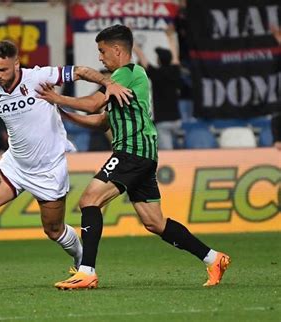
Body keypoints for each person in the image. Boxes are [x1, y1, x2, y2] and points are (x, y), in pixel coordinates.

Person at [0, 40, 131, 293]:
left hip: (49, 170)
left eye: (4, 70)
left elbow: (81, 71)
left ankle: (82, 260)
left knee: (54, 230)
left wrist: (109, 83)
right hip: (14, 166)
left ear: (16, 63)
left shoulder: (39, 77)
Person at [36, 25, 230, 290]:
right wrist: (63, 112)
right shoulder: (123, 81)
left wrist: (55, 96)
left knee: (89, 200)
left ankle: (86, 271)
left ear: (117, 50)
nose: (100, 57)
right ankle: (214, 258)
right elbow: (102, 121)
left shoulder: (127, 73)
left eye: (102, 51)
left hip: (132, 151)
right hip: (141, 153)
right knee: (154, 222)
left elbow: (94, 103)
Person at [133, 25, 182, 150]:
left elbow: (140, 54)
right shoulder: (175, 70)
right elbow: (175, 53)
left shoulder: (155, 73)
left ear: (158, 60)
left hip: (163, 122)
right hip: (177, 120)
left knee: (168, 156)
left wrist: (129, 36)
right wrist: (170, 36)